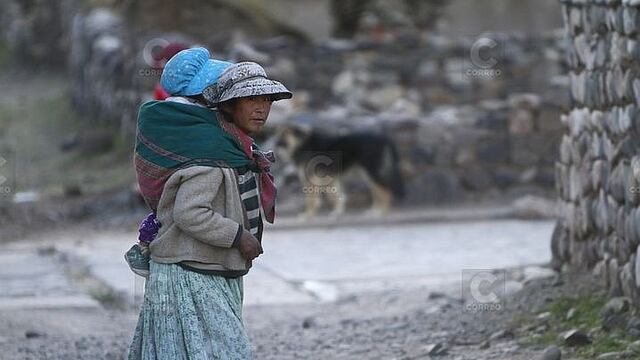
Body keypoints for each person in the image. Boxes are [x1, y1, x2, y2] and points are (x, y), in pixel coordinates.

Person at [127, 52, 292, 359]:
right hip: (191, 273)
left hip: (204, 268)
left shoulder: (212, 145)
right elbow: (190, 213)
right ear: (221, 104)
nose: (262, 109)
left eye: (268, 101)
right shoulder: (209, 155)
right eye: (250, 100)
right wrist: (239, 236)